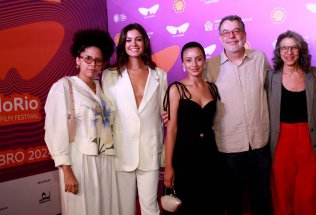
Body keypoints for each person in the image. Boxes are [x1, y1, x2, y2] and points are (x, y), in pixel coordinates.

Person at [44, 29, 118, 215]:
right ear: (78, 59)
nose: (92, 64)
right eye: (87, 58)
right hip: (80, 162)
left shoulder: (103, 89)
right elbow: (55, 130)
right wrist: (66, 170)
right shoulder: (64, 86)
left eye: (98, 60)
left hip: (106, 162)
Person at [204, 15, 272, 215]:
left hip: (259, 145)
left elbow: (276, 92)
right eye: (226, 32)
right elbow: (195, 97)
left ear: (244, 34)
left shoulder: (260, 59)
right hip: (228, 148)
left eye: (236, 31)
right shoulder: (209, 67)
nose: (232, 36)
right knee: (233, 204)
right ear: (220, 37)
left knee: (261, 202)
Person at [102, 23, 167, 215]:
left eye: (138, 39)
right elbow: (107, 115)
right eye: (128, 40)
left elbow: (165, 111)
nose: (134, 44)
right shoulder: (110, 75)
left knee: (151, 208)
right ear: (122, 44)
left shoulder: (160, 75)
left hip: (150, 149)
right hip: (121, 152)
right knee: (124, 209)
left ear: (145, 42)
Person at [266, 30, 316, 215]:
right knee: (282, 194)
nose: (289, 52)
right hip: (280, 143)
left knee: (308, 195)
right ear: (279, 52)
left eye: (294, 47)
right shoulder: (270, 77)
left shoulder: (314, 75)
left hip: (310, 142)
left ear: (301, 50)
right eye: (284, 48)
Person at [163, 41, 224, 214]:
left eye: (198, 59)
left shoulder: (212, 88)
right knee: (188, 205)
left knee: (210, 204)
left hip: (210, 155)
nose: (194, 64)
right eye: (188, 60)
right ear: (183, 64)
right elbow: (171, 129)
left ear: (205, 61)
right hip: (185, 157)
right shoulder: (176, 89)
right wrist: (168, 167)